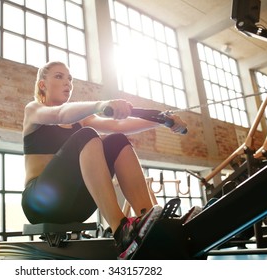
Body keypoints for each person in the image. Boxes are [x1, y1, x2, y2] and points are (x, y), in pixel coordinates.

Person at [21, 61, 187, 258]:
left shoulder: (79, 120)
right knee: (87, 135)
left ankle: (149, 221)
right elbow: (59, 114)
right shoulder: (33, 110)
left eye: (70, 79)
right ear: (42, 85)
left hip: (77, 206)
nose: (68, 83)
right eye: (59, 77)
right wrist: (100, 105)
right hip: (40, 204)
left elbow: (118, 127)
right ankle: (120, 230)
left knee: (116, 141)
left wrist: (163, 120)